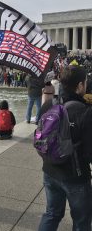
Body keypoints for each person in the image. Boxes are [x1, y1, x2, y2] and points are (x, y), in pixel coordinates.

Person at [38, 65, 92, 231]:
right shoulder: (85, 112)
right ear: (80, 86)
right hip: (75, 177)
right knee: (81, 221)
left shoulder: (48, 105)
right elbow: (90, 153)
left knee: (52, 214)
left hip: (50, 171)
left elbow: (40, 137)